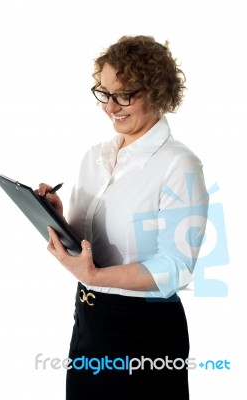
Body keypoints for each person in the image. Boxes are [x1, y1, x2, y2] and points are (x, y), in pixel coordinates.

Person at [38, 35, 209, 399]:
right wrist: (56, 217)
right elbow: (90, 245)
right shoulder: (95, 156)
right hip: (88, 321)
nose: (110, 106)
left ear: (157, 92)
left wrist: (96, 275)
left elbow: (177, 267)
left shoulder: (179, 165)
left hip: (144, 331)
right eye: (104, 92)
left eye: (124, 95)